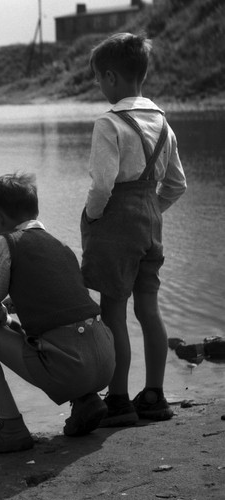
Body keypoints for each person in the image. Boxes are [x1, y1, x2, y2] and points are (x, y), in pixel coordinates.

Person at [0, 172, 115, 454]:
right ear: (35, 210)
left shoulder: (6, 243)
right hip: (104, 358)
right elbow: (67, 303)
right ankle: (85, 402)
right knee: (45, 334)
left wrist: (4, 317)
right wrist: (19, 305)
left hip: (71, 367)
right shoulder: (60, 245)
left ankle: (11, 426)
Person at [81, 33, 187, 427]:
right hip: (150, 224)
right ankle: (155, 395)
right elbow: (177, 185)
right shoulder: (163, 123)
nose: (97, 85)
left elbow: (102, 185)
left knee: (113, 312)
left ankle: (120, 399)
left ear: (111, 77)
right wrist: (150, 210)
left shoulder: (109, 123)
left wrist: (93, 218)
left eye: (97, 78)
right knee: (148, 309)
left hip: (115, 224)